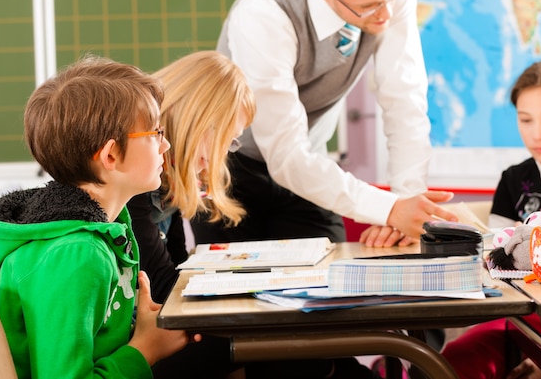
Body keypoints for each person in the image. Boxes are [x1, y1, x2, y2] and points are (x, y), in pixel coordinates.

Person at [127, 50, 375, 379]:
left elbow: (173, 274)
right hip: (133, 345)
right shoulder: (138, 181)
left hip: (156, 329)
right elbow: (166, 290)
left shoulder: (168, 183)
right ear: (198, 122)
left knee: (301, 346)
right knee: (282, 346)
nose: (221, 156)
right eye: (227, 140)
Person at [190, 0, 457, 249]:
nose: (387, 14)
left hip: (312, 168)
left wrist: (406, 203)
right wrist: (390, 208)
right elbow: (285, 153)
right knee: (231, 286)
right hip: (231, 169)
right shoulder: (263, 12)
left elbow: (405, 102)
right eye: (367, 7)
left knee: (332, 282)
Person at [0, 55, 198, 378]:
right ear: (111, 154)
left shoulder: (105, 230)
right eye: (155, 133)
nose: (165, 143)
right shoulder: (78, 256)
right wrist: (145, 349)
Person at [441, 56, 541, 379]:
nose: (537, 133)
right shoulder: (514, 180)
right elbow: (497, 267)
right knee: (455, 361)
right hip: (522, 319)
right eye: (525, 120)